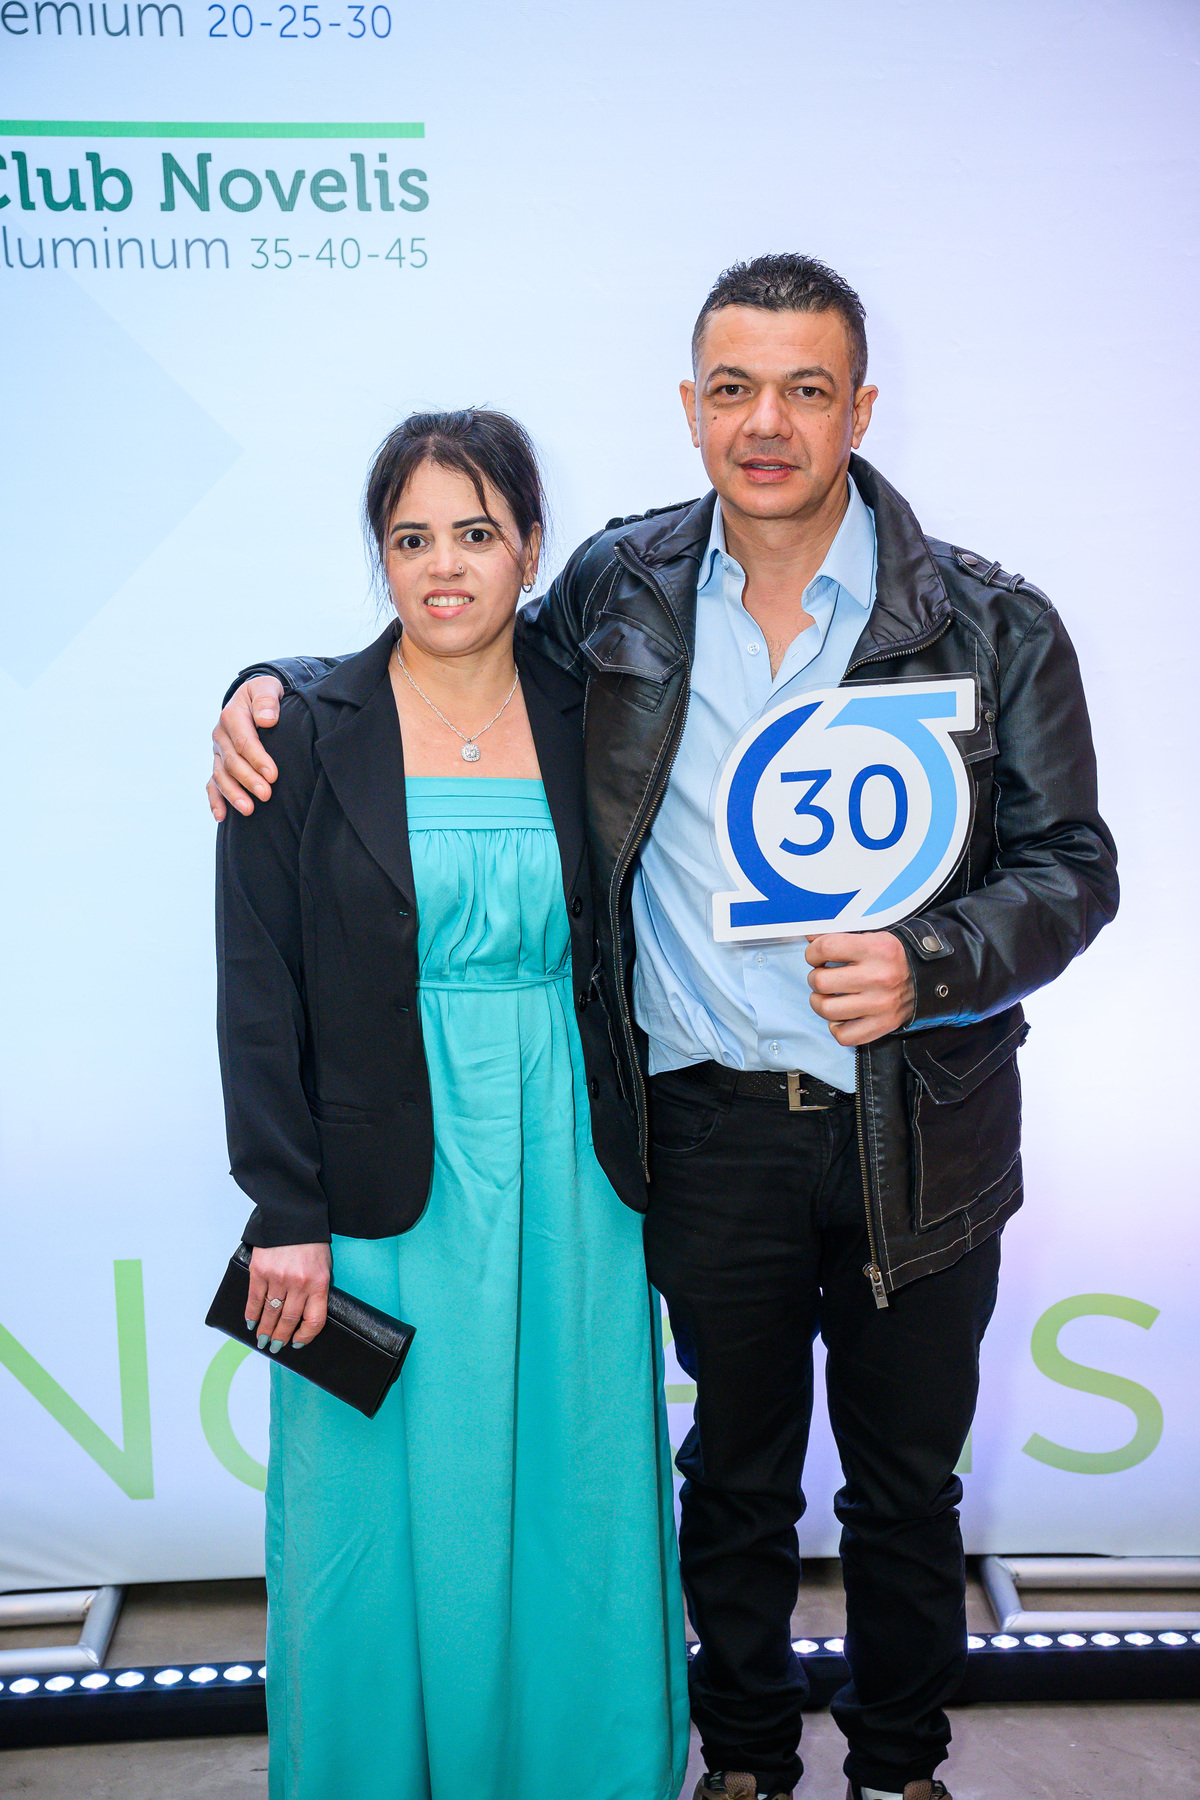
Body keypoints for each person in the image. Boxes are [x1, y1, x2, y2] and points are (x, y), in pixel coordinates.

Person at [209, 257, 1118, 1800]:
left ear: (860, 408)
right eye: (733, 388)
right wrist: (262, 690)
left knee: (906, 1491)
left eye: (805, 390)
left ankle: (900, 1770)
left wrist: (936, 959)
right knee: (733, 1484)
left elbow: (1074, 867)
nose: (766, 423)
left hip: (920, 1131)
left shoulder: (994, 618)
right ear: (691, 407)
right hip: (699, 1126)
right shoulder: (618, 596)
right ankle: (743, 1766)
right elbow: (436, 648)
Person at [216, 409, 689, 1800]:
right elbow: (257, 990)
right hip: (372, 1194)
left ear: (531, 547)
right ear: (381, 555)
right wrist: (283, 1213)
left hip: (574, 1172)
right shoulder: (299, 730)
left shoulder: (598, 711)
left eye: (476, 534)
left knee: (578, 1492)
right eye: (411, 537)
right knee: (364, 1512)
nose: (443, 567)